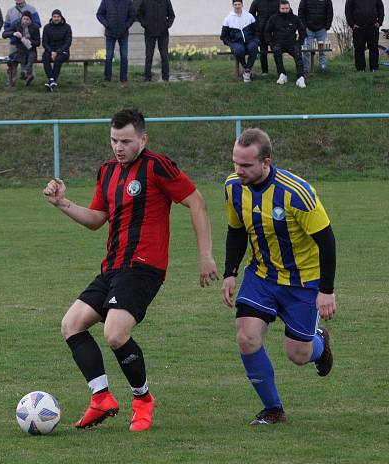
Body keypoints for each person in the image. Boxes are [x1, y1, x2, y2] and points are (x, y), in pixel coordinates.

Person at [42, 109, 218, 433]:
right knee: (71, 325)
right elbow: (97, 219)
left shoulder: (156, 166)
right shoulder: (107, 171)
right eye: (113, 140)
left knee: (114, 332)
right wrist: (63, 204)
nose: (118, 147)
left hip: (144, 268)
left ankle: (143, 400)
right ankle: (101, 398)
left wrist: (205, 256)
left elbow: (197, 202)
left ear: (143, 138)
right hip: (113, 267)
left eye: (125, 141)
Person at [221, 128, 336, 426]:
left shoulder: (297, 193)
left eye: (246, 165)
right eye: (235, 162)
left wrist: (326, 290)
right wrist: (230, 272)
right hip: (261, 276)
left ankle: (319, 342)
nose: (238, 170)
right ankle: (273, 409)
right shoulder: (233, 187)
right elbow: (236, 230)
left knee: (298, 354)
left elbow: (326, 241)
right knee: (247, 337)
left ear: (266, 162)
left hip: (303, 282)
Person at [265, 0, 307, 87]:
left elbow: (303, 32)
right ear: (279, 8)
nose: (285, 10)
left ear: (289, 7)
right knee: (276, 51)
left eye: (286, 8)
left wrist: (299, 43)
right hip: (278, 43)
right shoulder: (273, 18)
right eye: (283, 8)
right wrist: (271, 43)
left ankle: (300, 77)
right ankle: (282, 74)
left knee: (298, 52)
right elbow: (267, 32)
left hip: (291, 43)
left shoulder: (295, 18)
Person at [3, 0, 40, 88]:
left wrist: (27, 32)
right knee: (13, 63)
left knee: (26, 62)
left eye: (27, 19)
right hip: (14, 43)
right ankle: (12, 83)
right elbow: (6, 27)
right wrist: (14, 34)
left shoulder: (32, 9)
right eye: (24, 19)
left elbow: (37, 24)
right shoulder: (10, 11)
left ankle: (28, 80)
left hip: (28, 45)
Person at [96, 0, 135, 82]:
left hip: (123, 33)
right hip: (110, 33)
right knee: (109, 56)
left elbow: (132, 15)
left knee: (124, 56)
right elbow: (99, 14)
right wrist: (106, 24)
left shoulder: (128, 1)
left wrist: (126, 26)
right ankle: (107, 78)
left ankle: (123, 78)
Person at [136, 0, 175, 82]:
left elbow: (171, 15)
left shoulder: (166, 1)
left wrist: (167, 25)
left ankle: (166, 77)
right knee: (149, 55)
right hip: (149, 32)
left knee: (164, 56)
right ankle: (147, 77)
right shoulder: (146, 1)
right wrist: (144, 24)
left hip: (163, 33)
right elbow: (139, 14)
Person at [220, 0, 259, 82]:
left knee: (254, 47)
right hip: (236, 42)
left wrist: (256, 40)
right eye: (235, 4)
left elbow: (257, 31)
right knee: (238, 50)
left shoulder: (249, 16)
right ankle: (246, 68)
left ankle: (247, 71)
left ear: (242, 5)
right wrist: (231, 44)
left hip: (250, 40)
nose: (237, 6)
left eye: (239, 4)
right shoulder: (228, 19)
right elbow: (223, 36)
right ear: (233, 5)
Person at [345, 0, 384, 71]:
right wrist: (352, 24)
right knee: (359, 48)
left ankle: (374, 68)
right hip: (358, 27)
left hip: (373, 26)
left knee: (374, 48)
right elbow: (348, 10)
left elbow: (381, 8)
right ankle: (360, 69)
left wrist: (379, 22)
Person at [41, 9, 71, 91]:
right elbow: (44, 42)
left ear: (61, 17)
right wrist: (51, 52)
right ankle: (52, 80)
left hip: (63, 51)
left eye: (58, 16)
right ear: (52, 18)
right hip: (50, 51)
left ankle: (51, 81)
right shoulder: (47, 27)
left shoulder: (67, 27)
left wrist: (58, 52)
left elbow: (68, 42)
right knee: (45, 58)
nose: (56, 18)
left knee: (58, 59)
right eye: (54, 17)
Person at [298, 0, 333, 72]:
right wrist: (304, 27)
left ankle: (322, 67)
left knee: (322, 50)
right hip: (308, 29)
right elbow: (301, 12)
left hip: (322, 29)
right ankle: (306, 69)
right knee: (307, 50)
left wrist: (327, 26)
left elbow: (330, 12)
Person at [249, 0, 280, 75]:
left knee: (277, 50)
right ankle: (265, 71)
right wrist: (258, 23)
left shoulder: (278, 1)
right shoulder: (256, 1)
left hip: (274, 30)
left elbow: (282, 12)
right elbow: (251, 14)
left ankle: (280, 71)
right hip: (261, 30)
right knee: (263, 51)